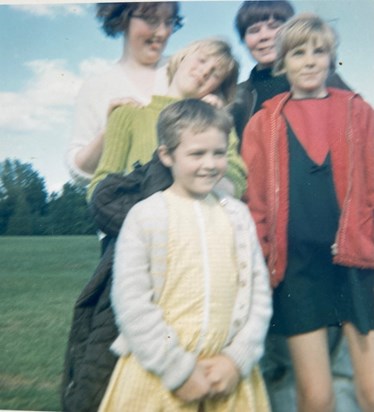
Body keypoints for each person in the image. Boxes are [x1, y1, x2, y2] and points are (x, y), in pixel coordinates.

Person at [98, 98, 272, 411]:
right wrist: (177, 371)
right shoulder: (146, 216)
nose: (210, 164)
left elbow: (259, 295)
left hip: (227, 378)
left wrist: (236, 360)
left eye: (218, 153)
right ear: (166, 155)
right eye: (196, 154)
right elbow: (132, 302)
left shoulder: (237, 215)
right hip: (159, 377)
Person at [241, 13, 374, 412]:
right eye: (299, 52)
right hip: (296, 269)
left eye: (320, 51)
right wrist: (262, 265)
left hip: (356, 263)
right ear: (283, 61)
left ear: (331, 59)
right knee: (316, 397)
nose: (311, 60)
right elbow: (258, 206)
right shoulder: (264, 123)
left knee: (371, 391)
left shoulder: (358, 112)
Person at [87, 38, 247, 200]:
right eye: (202, 60)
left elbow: (235, 178)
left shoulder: (218, 121)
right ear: (183, 58)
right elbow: (100, 186)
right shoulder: (127, 114)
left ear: (217, 88)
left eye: (215, 74)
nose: (205, 71)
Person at [66, 2, 183, 186]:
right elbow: (78, 172)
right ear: (122, 18)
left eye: (169, 21)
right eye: (151, 20)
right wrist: (111, 130)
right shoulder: (95, 87)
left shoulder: (184, 69)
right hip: (129, 210)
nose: (162, 32)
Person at [230, 0, 349, 144]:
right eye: (254, 30)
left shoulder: (327, 80)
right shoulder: (236, 96)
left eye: (274, 27)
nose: (264, 36)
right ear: (243, 40)